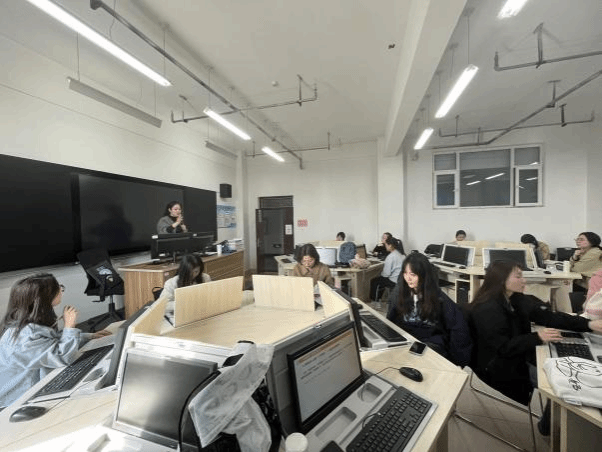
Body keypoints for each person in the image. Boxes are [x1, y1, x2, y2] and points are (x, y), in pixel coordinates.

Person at [469, 260, 602, 408]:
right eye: (518, 276)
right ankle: (550, 421)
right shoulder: (488, 308)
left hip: (518, 355)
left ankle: (551, 419)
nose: (524, 280)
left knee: (569, 376)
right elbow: (503, 348)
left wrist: (588, 324)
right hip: (500, 366)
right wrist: (537, 337)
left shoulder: (515, 298)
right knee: (565, 386)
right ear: (501, 280)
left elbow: (548, 317)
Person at [0, 274, 111, 407]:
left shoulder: (28, 321)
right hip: (15, 400)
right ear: (44, 297)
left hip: (35, 384)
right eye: (58, 288)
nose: (61, 292)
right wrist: (70, 326)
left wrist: (88, 337)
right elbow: (63, 357)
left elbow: (51, 340)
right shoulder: (23, 337)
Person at [386, 253, 472, 366]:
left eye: (413, 274)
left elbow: (458, 327)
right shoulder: (399, 293)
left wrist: (457, 361)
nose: (408, 278)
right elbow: (391, 321)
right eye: (405, 273)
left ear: (423, 275)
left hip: (430, 342)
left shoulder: (438, 298)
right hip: (406, 340)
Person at [162, 254, 211, 321]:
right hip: (180, 316)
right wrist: (183, 304)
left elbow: (211, 296)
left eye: (196, 271)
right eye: (190, 272)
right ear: (184, 271)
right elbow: (164, 305)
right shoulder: (171, 283)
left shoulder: (205, 278)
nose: (193, 275)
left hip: (200, 313)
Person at [369, 235, 405, 301]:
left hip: (393, 281)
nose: (385, 246)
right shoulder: (402, 255)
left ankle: (375, 301)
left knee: (374, 281)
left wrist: (379, 274)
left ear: (390, 245)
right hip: (400, 280)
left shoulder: (391, 256)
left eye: (386, 245)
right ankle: (379, 299)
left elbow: (386, 274)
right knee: (380, 279)